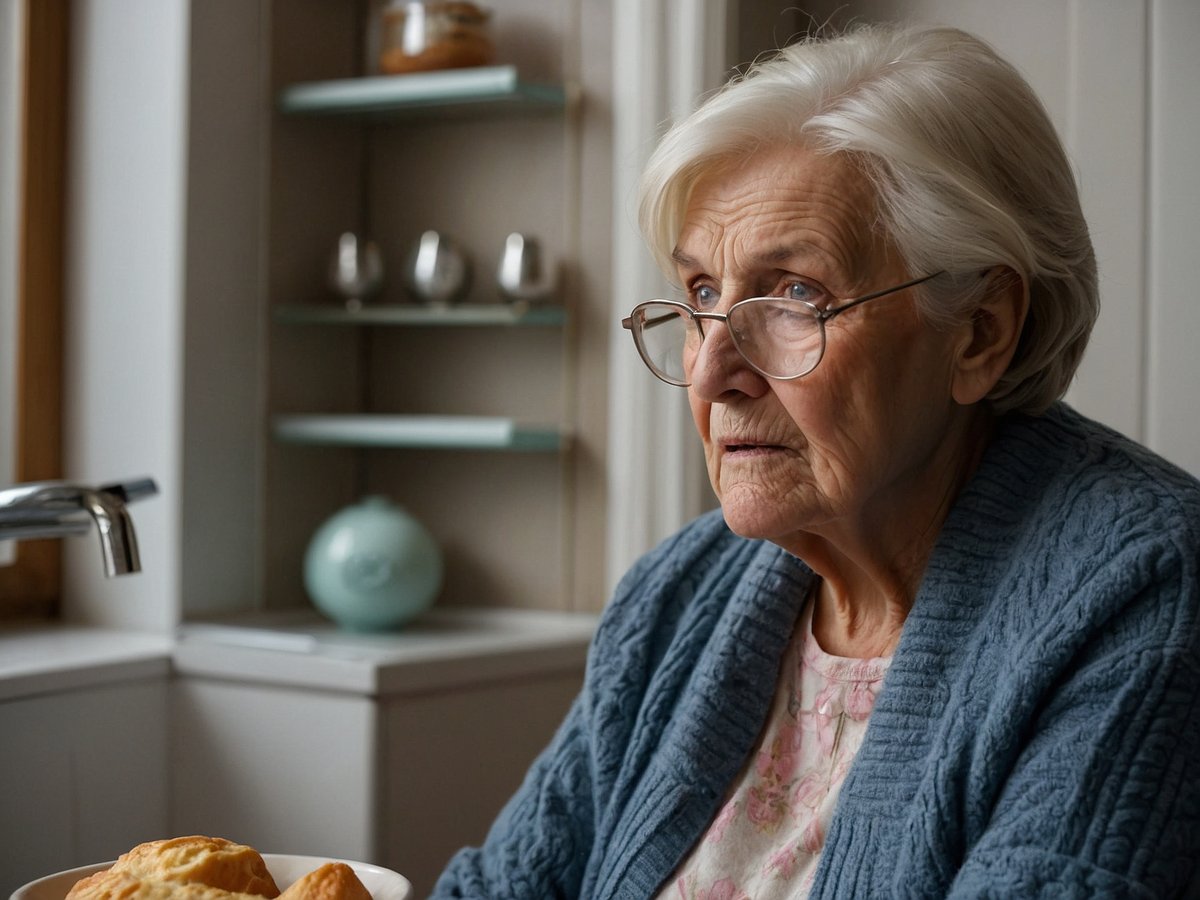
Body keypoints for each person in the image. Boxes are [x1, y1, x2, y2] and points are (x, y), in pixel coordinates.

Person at [431, 23, 1200, 899]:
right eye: (701, 295)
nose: (714, 372)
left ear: (981, 333)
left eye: (796, 295)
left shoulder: (1144, 592)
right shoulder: (678, 597)